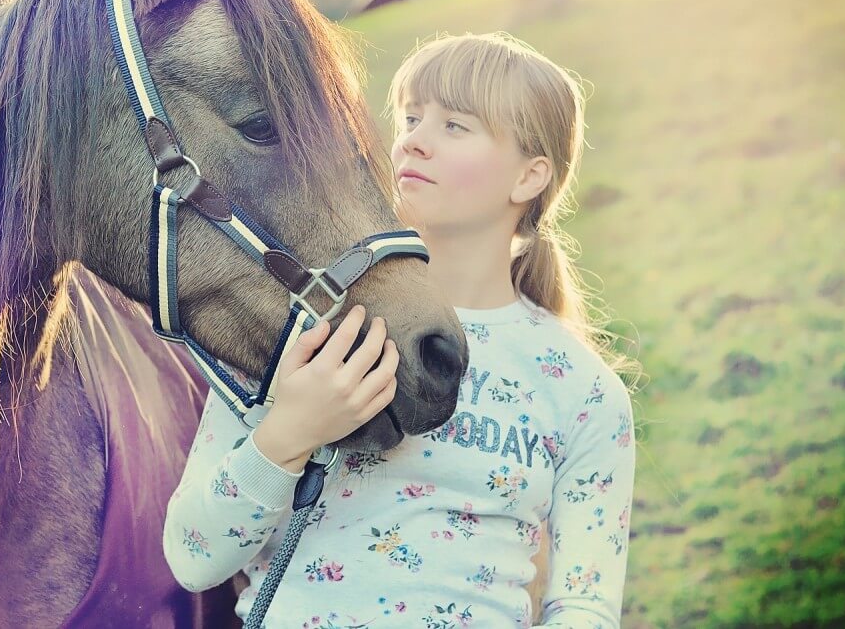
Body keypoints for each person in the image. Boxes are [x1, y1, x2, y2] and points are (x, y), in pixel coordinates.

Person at [163, 31, 639, 627]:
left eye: (455, 126)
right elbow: (192, 557)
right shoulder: (296, 325)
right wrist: (290, 432)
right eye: (411, 118)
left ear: (529, 176)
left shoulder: (582, 389)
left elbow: (585, 608)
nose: (414, 141)